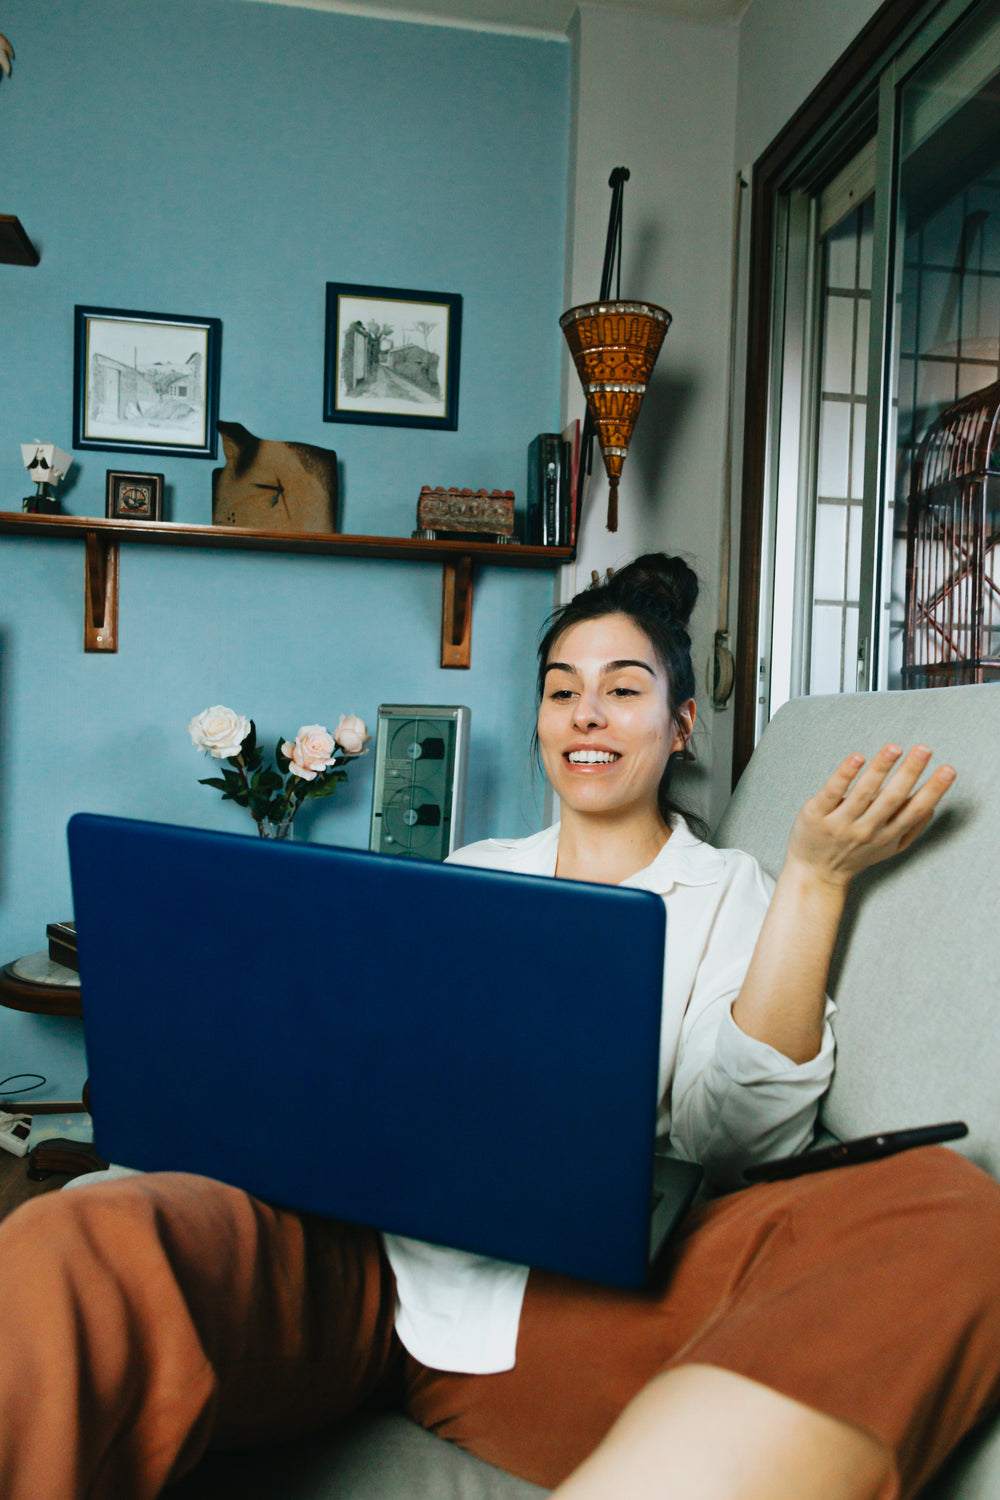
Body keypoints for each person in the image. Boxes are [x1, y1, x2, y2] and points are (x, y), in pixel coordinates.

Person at [1, 553, 998, 1500]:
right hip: (351, 1268)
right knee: (87, 1228)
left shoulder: (727, 892)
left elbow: (733, 1136)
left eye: (621, 688)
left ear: (681, 723)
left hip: (563, 1317)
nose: (585, 715)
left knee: (943, 1206)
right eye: (561, 690)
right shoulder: (474, 871)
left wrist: (816, 881)